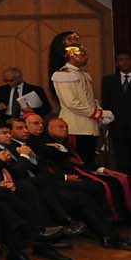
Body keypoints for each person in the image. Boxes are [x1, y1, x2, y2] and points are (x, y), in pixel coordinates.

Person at [50, 30, 108, 167]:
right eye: (79, 52)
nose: (84, 54)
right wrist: (97, 113)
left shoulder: (83, 74)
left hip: (89, 125)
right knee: (80, 163)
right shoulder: (63, 74)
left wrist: (99, 111)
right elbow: (72, 103)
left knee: (91, 162)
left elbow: (89, 98)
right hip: (76, 126)